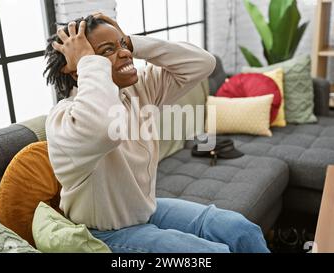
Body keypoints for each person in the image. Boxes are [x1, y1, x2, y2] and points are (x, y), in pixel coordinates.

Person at [44, 13, 269, 253]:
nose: (125, 53)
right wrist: (88, 62)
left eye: (123, 45)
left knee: (241, 230)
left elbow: (203, 63)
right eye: (107, 50)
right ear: (80, 70)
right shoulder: (63, 119)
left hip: (147, 211)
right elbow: (104, 129)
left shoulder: (138, 90)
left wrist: (132, 42)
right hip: (104, 234)